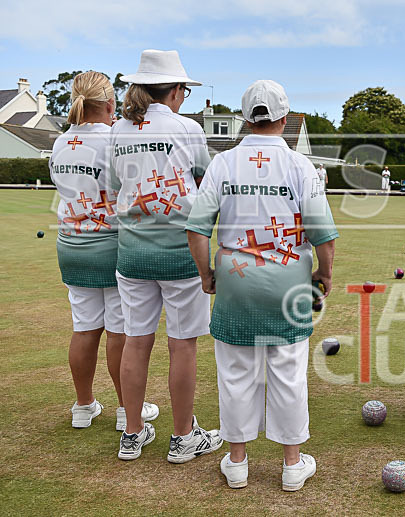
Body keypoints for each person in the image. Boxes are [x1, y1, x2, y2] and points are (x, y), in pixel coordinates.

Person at [186, 80, 338, 491]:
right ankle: (292, 465)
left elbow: (197, 230)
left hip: (235, 282)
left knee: (235, 373)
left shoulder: (223, 164)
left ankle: (236, 463)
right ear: (285, 120)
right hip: (288, 283)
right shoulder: (300, 166)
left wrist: (206, 275)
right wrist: (324, 275)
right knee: (288, 372)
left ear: (245, 119)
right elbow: (323, 234)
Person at [111, 49, 221, 462]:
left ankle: (133, 433)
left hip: (132, 252)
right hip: (180, 252)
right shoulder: (188, 129)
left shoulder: (118, 130)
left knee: (136, 342)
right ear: (176, 90)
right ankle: (182, 438)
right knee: (183, 345)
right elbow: (204, 182)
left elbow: (114, 183)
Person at [50, 71, 159, 430]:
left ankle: (83, 406)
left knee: (84, 329)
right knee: (118, 333)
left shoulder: (60, 142)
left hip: (71, 243)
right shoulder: (113, 139)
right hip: (110, 244)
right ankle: (128, 411)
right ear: (110, 104)